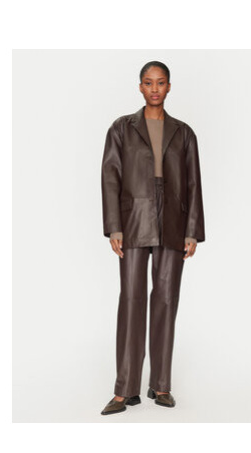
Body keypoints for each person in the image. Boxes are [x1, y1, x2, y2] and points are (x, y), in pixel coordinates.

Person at [100, 61, 205, 415]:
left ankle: (161, 386)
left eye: (161, 83)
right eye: (148, 82)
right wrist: (114, 226)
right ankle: (124, 390)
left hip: (173, 220)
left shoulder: (184, 133)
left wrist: (192, 230)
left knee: (165, 300)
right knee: (131, 299)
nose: (155, 89)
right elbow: (110, 177)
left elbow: (194, 183)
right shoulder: (121, 128)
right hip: (134, 219)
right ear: (140, 87)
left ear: (169, 87)